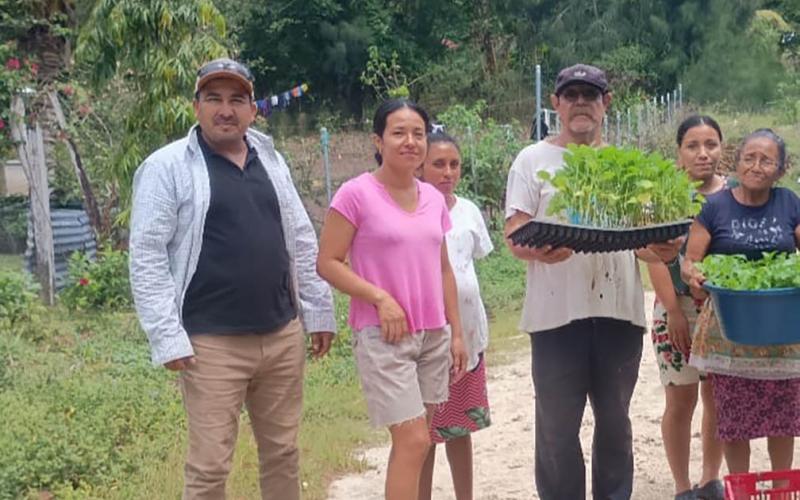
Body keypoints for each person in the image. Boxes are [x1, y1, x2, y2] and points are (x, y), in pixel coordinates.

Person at [129, 58, 336, 500]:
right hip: (211, 345)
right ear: (196, 106)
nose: (226, 109)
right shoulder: (167, 167)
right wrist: (166, 336)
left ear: (253, 108)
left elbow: (299, 235)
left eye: (237, 99)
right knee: (209, 468)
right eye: (214, 99)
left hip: (282, 334)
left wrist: (319, 310)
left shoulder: (269, 159)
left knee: (283, 453)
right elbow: (146, 255)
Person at [504, 63, 680, 500]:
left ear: (606, 103)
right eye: (572, 95)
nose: (581, 103)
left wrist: (661, 248)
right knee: (557, 426)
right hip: (554, 315)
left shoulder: (626, 166)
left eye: (591, 95)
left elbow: (640, 239)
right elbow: (514, 234)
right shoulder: (532, 160)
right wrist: (537, 249)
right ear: (556, 103)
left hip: (619, 313)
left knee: (616, 422)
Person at [316, 99, 467, 500]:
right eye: (399, 133)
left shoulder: (433, 198)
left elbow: (444, 269)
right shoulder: (355, 194)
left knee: (419, 442)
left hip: (432, 333)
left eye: (418, 133)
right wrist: (378, 296)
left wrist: (456, 332)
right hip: (384, 336)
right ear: (378, 141)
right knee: (414, 439)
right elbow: (328, 262)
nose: (410, 142)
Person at [682, 129, 800, 477]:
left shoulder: (789, 202)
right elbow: (690, 260)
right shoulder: (715, 206)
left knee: (783, 417)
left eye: (767, 160)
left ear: (780, 169)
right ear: (737, 162)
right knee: (734, 419)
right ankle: (740, 487)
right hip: (729, 331)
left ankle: (781, 489)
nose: (756, 166)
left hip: (781, 332)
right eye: (749, 158)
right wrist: (694, 275)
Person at [647, 115, 727, 500]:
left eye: (711, 144)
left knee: (718, 396)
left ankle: (711, 478)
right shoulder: (664, 195)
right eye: (693, 146)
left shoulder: (734, 195)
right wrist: (674, 311)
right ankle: (682, 486)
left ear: (722, 149)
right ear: (678, 153)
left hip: (724, 314)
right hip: (674, 307)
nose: (703, 153)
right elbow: (652, 256)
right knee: (680, 398)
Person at [417, 131, 494, 500]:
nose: (447, 172)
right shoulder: (411, 210)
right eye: (438, 164)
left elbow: (473, 261)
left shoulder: (468, 211)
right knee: (423, 433)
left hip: (468, 334)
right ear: (420, 166)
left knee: (460, 428)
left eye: (454, 164)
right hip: (427, 337)